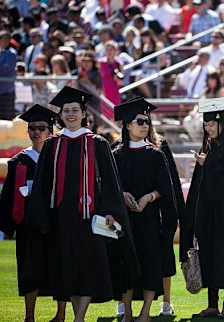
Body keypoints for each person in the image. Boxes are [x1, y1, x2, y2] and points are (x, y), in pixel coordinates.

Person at [25, 86, 139, 322]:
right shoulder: (52, 144)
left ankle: (79, 318)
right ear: (61, 115)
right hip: (61, 218)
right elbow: (43, 185)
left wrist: (110, 211)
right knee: (66, 268)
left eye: (75, 110)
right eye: (66, 110)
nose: (71, 114)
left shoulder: (97, 143)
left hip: (90, 216)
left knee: (86, 267)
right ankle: (77, 316)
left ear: (84, 114)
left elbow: (110, 182)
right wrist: (42, 217)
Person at [181, 98, 224, 319]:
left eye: (212, 124)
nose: (208, 129)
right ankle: (212, 305)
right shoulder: (209, 147)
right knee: (209, 256)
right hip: (209, 213)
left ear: (223, 123)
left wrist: (207, 164)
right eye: (206, 125)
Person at [110, 97, 178, 322]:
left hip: (148, 218)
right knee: (125, 265)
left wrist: (149, 197)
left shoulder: (156, 154)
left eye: (147, 121)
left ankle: (145, 313)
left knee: (150, 264)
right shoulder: (116, 155)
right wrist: (122, 195)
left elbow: (165, 190)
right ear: (127, 125)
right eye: (139, 121)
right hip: (125, 220)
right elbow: (109, 187)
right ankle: (127, 313)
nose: (144, 125)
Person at [0, 105, 66, 322]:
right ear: (28, 131)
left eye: (42, 127)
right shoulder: (18, 161)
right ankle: (29, 316)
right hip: (28, 225)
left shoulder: (60, 159)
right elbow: (8, 196)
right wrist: (8, 226)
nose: (37, 132)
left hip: (56, 223)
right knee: (29, 270)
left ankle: (61, 314)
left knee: (59, 267)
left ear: (51, 131)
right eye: (33, 128)